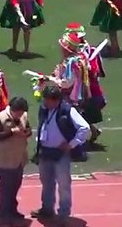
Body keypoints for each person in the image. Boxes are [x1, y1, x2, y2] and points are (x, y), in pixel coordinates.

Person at [32, 83, 91, 223]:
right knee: (46, 182)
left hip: (60, 153)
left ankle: (64, 215)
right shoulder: (43, 108)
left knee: (63, 185)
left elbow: (85, 128)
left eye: (48, 100)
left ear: (57, 100)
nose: (45, 102)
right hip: (45, 150)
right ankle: (47, 209)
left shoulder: (67, 110)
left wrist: (71, 144)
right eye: (44, 99)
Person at [0, 96, 31, 227]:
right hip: (5, 159)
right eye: (18, 112)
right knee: (6, 188)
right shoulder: (0, 118)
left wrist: (26, 133)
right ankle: (4, 215)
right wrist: (12, 132)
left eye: (22, 112)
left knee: (15, 186)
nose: (20, 115)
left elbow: (28, 129)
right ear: (12, 109)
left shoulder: (24, 115)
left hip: (19, 158)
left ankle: (13, 211)